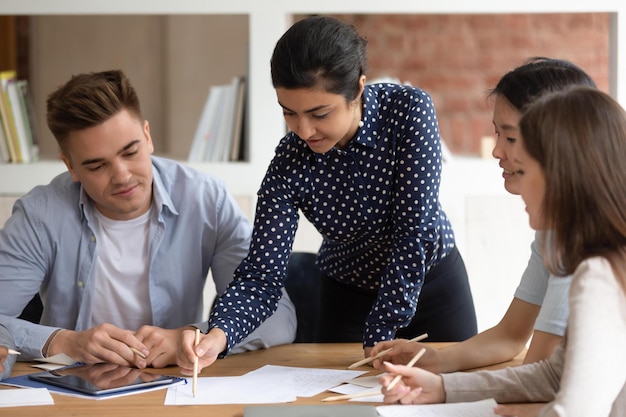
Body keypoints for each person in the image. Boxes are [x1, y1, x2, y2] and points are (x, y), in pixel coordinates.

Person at [179, 15, 477, 372]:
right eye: (289, 113)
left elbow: (413, 232)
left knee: (456, 397)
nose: (303, 130)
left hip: (433, 284)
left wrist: (381, 328)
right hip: (346, 293)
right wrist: (218, 335)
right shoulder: (289, 163)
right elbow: (262, 274)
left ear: (359, 89)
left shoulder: (409, 112)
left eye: (319, 113)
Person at [0, 69, 296, 368]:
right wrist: (66, 342)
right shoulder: (39, 215)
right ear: (71, 166)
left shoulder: (206, 201)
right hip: (70, 391)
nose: (122, 176)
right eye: (97, 166)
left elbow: (279, 317)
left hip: (174, 385)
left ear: (147, 136)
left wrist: (195, 336)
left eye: (130, 152)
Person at [380, 86, 626, 417]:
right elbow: (557, 374)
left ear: (560, 177)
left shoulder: (597, 274)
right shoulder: (611, 259)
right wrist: (442, 388)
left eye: (524, 171)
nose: (520, 186)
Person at [370, 57, 597, 372]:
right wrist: (433, 359)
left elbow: (539, 372)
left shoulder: (583, 238)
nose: (496, 151)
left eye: (511, 137)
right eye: (497, 134)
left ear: (559, 140)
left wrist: (443, 389)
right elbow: (510, 337)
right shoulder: (553, 230)